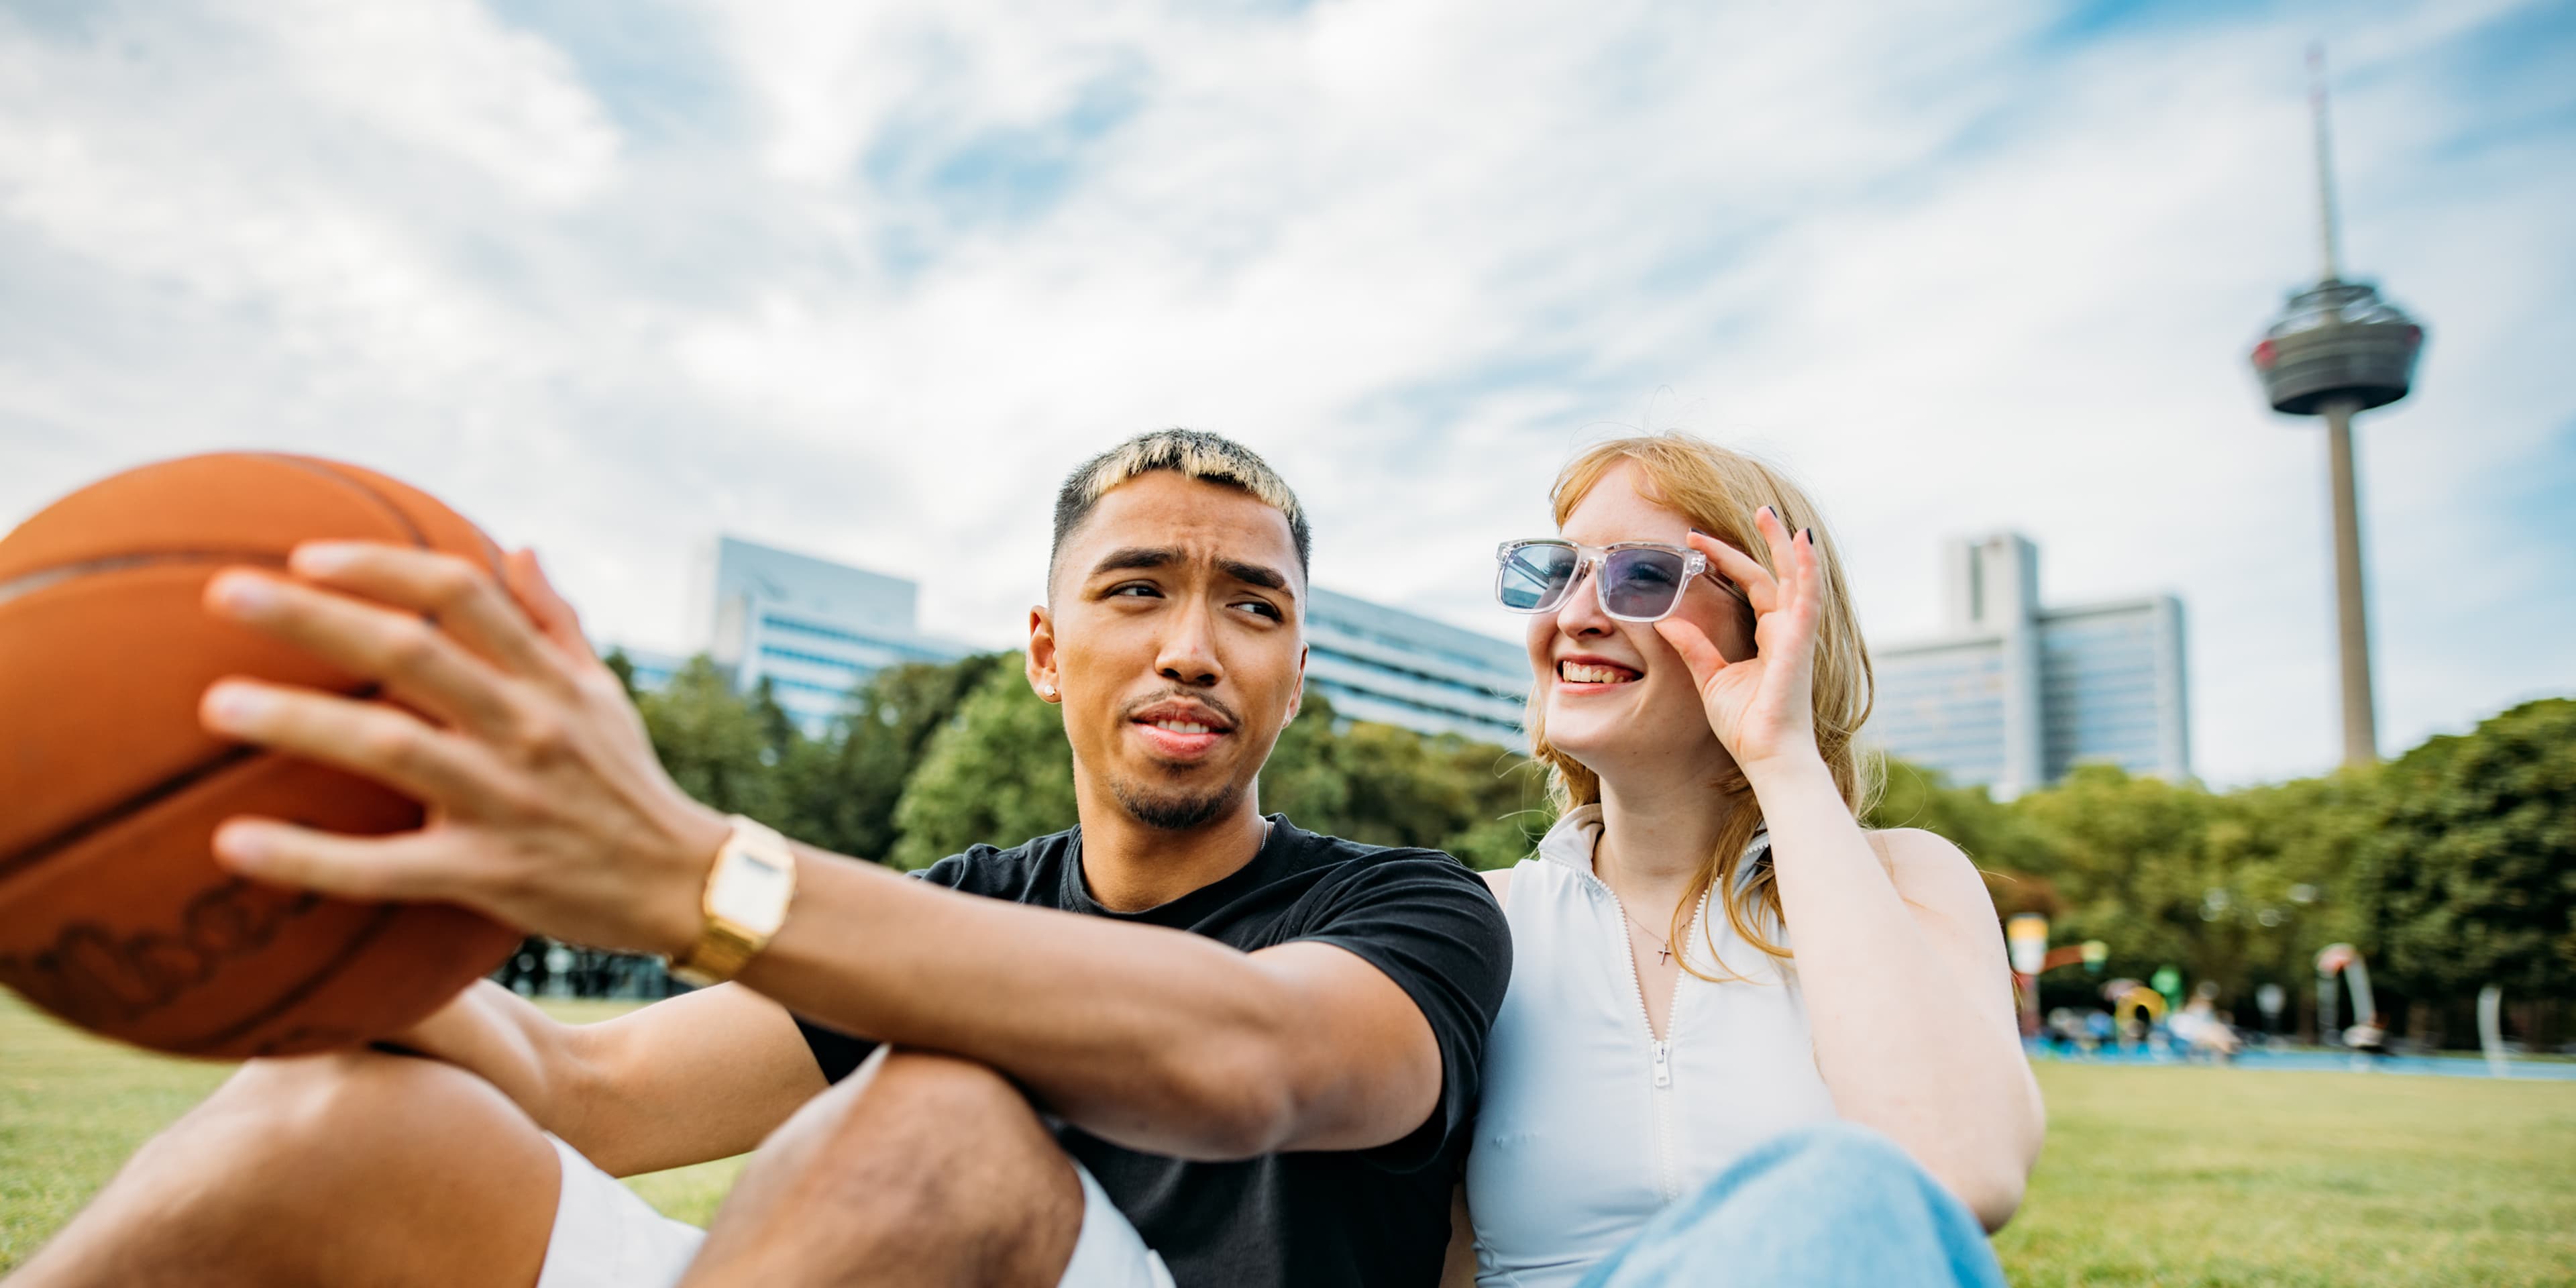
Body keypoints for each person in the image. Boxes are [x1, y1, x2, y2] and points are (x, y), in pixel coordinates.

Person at [10, 430, 1510, 1288]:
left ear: (1297, 672)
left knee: (944, 1113)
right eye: (1138, 590)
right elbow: (581, 1092)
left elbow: (1245, 1059)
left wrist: (679, 863)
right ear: (1047, 652)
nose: (1192, 647)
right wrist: (338, 865)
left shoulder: (1406, 908)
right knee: (333, 1111)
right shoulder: (961, 909)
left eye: (1251, 607)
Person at [1448, 434, 2044, 1288]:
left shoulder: (1909, 879)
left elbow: (1959, 1171)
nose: (1574, 614)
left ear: (1772, 624)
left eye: (1641, 575)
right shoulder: (1480, 920)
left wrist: (1781, 757)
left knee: (1848, 1182)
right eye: (1556, 572)